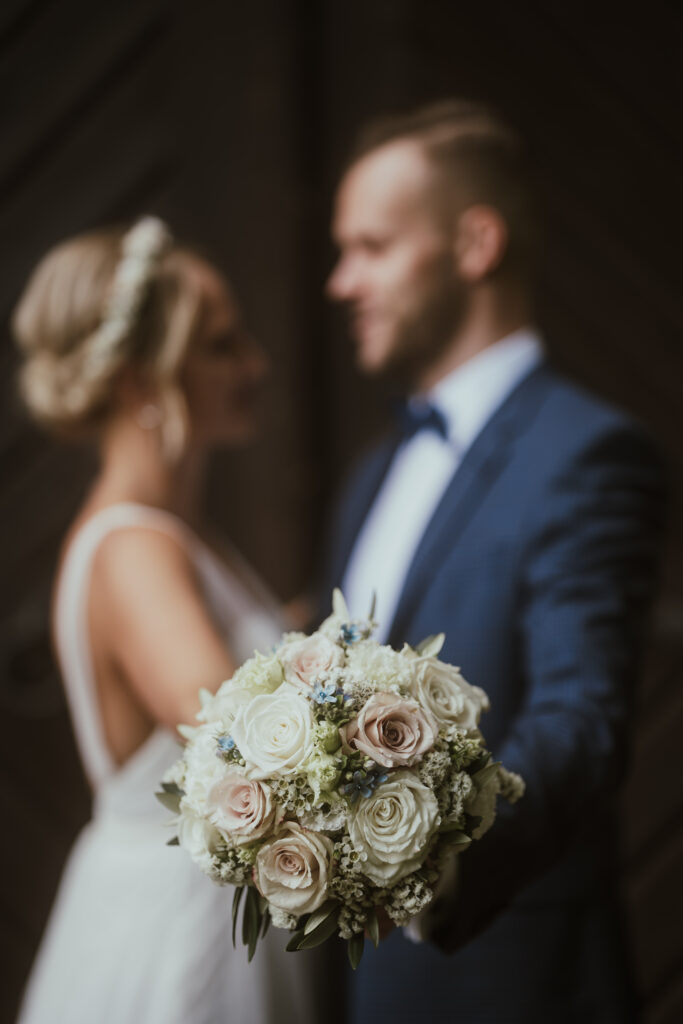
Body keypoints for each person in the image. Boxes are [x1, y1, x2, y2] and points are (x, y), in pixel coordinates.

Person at [324, 101, 665, 1023]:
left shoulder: (588, 453)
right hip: (370, 986)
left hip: (510, 976)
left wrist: (433, 860)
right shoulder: (371, 474)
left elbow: (581, 717)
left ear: (475, 244)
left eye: (372, 247)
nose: (340, 281)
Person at [13, 217, 324, 1024]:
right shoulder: (134, 550)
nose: (254, 363)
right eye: (222, 345)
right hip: (178, 942)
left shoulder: (172, 535)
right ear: (138, 382)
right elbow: (239, 748)